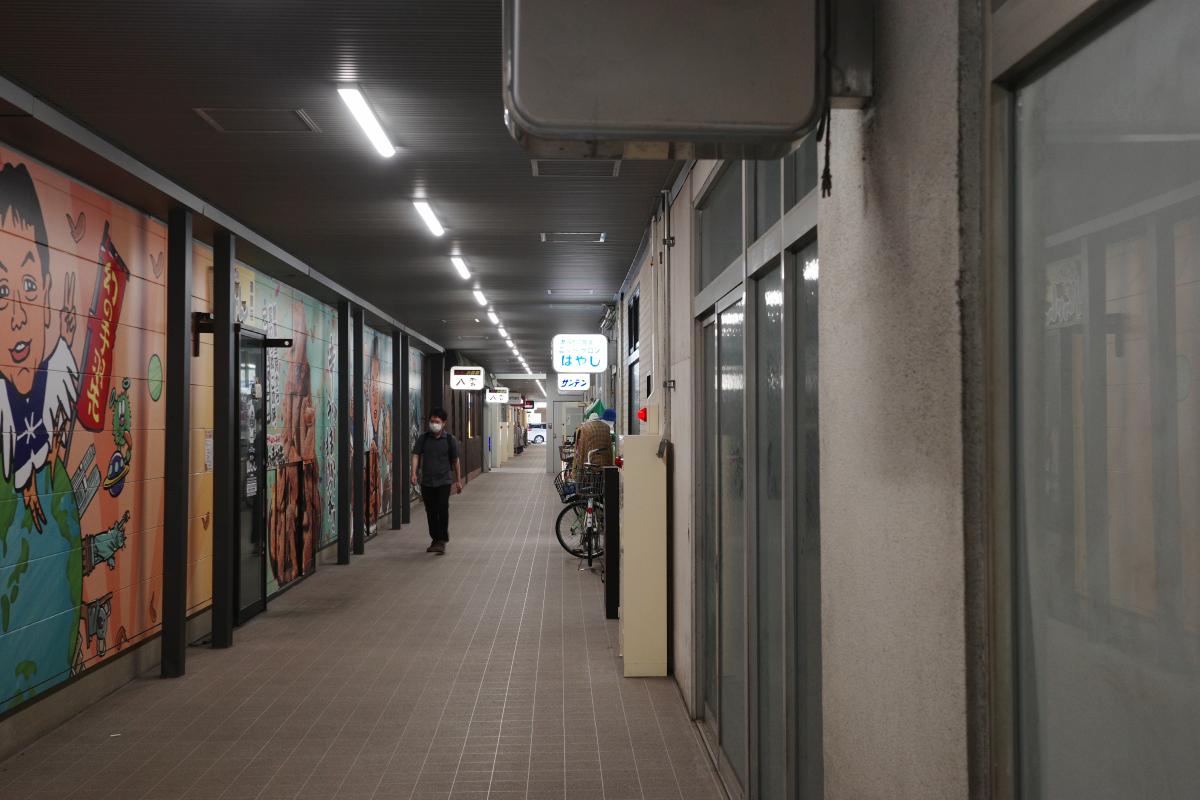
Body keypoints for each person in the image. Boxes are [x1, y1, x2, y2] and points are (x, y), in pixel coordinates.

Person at [410, 407, 462, 554]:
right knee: (430, 511)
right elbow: (416, 455)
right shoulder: (424, 438)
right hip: (427, 481)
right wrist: (413, 472)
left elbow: (455, 461)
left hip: (444, 481)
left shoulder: (449, 440)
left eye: (437, 422)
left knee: (442, 509)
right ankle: (435, 538)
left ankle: (442, 539)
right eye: (432, 421)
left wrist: (458, 481)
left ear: (443, 423)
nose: (434, 424)